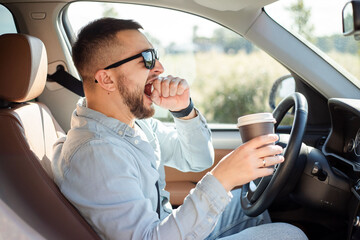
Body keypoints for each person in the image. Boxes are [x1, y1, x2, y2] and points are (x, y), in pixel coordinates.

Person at [52, 18, 307, 240]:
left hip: (166, 226)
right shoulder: (97, 154)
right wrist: (223, 178)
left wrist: (184, 112)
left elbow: (197, 160)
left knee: (254, 207)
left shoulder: (133, 123)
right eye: (147, 59)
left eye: (156, 56)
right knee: (290, 235)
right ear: (106, 79)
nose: (160, 68)